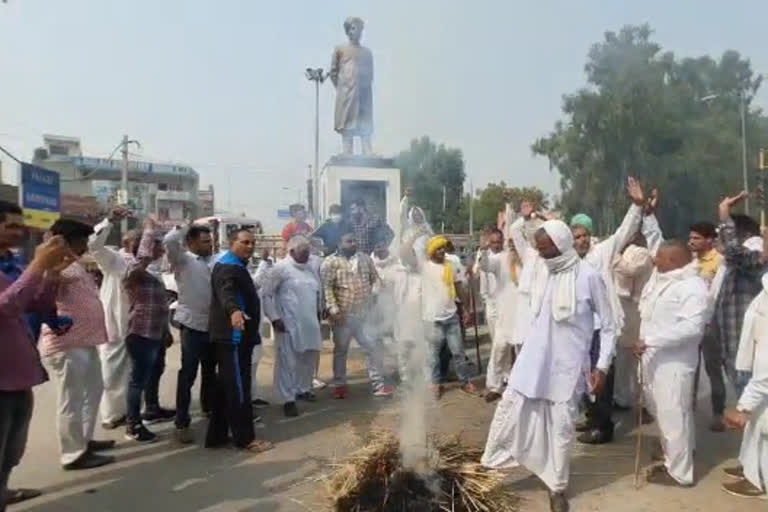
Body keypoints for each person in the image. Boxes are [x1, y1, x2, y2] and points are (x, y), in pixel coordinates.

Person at [482, 220, 616, 512]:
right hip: (533, 360)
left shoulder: (589, 276)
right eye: (539, 249)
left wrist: (602, 366)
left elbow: (608, 326)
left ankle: (556, 487)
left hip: (567, 368)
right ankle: (489, 467)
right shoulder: (545, 271)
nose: (541, 254)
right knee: (510, 410)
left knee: (561, 427)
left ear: (562, 244)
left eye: (546, 249)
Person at [0, 203, 74, 511]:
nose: (20, 232)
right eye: (11, 226)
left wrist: (51, 275)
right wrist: (37, 265)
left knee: (12, 450)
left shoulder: (12, 263)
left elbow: (35, 304)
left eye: (21, 225)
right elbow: (7, 307)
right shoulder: (21, 266)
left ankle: (3, 491)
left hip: (19, 371)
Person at [568, 177, 646, 445]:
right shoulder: (569, 262)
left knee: (602, 376)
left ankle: (603, 427)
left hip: (603, 329)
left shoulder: (601, 252)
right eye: (575, 237)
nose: (580, 241)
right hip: (581, 329)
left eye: (583, 236)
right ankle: (592, 419)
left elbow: (624, 231)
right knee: (584, 376)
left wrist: (636, 206)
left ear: (590, 236)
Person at [40, 219, 116, 470]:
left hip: (87, 341)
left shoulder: (75, 263)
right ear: (65, 241)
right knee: (71, 400)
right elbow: (44, 291)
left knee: (92, 392)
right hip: (67, 343)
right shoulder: (53, 263)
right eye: (81, 242)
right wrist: (54, 259)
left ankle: (83, 440)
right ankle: (72, 454)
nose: (84, 247)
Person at [634, 240, 708, 487]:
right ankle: (673, 458)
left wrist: (652, 340)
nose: (655, 261)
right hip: (656, 360)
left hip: (674, 365)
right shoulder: (665, 279)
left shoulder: (693, 287)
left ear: (674, 261)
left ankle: (680, 473)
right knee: (667, 415)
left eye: (660, 258)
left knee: (674, 416)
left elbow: (692, 327)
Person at [206, 229, 273, 453]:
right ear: (231, 242)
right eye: (245, 242)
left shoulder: (235, 263)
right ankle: (245, 439)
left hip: (235, 337)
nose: (250, 246)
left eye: (252, 243)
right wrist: (234, 311)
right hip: (233, 337)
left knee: (226, 386)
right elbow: (227, 293)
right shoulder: (228, 267)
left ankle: (216, 435)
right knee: (238, 388)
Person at [321, 230, 393, 399]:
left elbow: (375, 279)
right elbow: (327, 288)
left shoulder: (364, 258)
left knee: (372, 348)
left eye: (354, 241)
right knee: (341, 351)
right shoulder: (330, 262)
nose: (353, 244)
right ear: (340, 243)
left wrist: (374, 296)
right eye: (349, 241)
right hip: (343, 315)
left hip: (364, 314)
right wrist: (334, 310)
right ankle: (340, 386)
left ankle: (378, 385)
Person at [163, 223, 216, 444]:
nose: (210, 245)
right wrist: (186, 227)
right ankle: (182, 422)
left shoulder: (213, 262)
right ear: (191, 243)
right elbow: (168, 241)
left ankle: (208, 408)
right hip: (192, 326)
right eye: (205, 242)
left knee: (210, 373)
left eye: (211, 241)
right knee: (188, 375)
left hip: (211, 326)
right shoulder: (182, 260)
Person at [261, 235, 323, 417]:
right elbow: (267, 295)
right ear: (291, 251)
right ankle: (287, 399)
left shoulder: (311, 269)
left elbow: (317, 292)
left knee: (308, 358)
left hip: (310, 322)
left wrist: (321, 310)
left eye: (308, 252)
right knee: (288, 362)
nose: (306, 255)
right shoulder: (280, 269)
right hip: (288, 323)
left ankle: (302, 389)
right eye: (303, 252)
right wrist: (274, 318)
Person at [122, 217, 171, 443]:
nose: (160, 250)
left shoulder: (151, 273)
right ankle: (133, 424)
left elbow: (159, 305)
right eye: (156, 245)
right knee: (138, 380)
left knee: (155, 372)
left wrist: (166, 332)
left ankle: (152, 408)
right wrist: (149, 233)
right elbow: (142, 258)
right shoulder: (133, 270)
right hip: (141, 333)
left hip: (156, 333)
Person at [88, 207, 137, 430]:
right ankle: (110, 416)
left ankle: (129, 411)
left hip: (138, 325)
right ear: (127, 242)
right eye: (137, 240)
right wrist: (109, 221)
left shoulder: (145, 263)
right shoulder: (113, 258)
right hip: (115, 324)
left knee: (133, 372)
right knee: (111, 371)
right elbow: (93, 245)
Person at [721, 272, 768, 499]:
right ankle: (750, 470)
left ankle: (761, 482)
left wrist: (743, 406)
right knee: (757, 427)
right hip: (759, 371)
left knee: (764, 429)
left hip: (764, 375)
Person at [416, 235, 478, 399]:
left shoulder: (451, 266)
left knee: (458, 352)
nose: (442, 251)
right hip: (431, 319)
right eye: (438, 248)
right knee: (433, 355)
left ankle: (465, 382)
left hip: (451, 316)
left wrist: (467, 309)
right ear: (431, 251)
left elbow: (459, 288)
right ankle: (435, 384)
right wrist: (416, 233)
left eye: (443, 248)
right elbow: (406, 255)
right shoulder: (424, 267)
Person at [688, 221, 727, 431]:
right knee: (689, 368)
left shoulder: (719, 262)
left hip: (711, 325)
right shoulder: (690, 262)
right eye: (691, 238)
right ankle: (688, 410)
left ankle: (718, 413)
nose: (691, 242)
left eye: (696, 238)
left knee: (713, 369)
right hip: (691, 323)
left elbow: (715, 295)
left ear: (709, 240)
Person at [477, 228, 520, 403]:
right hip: (502, 311)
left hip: (523, 313)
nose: (513, 246)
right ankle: (494, 386)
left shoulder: (528, 260)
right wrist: (483, 250)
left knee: (520, 350)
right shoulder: (500, 259)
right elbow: (485, 266)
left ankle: (515, 383)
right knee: (499, 348)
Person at [611, 232, 654, 410]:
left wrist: (614, 256)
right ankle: (623, 397)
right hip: (624, 307)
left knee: (634, 356)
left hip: (635, 308)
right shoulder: (627, 251)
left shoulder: (642, 253)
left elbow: (630, 270)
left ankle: (641, 400)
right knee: (623, 356)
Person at [330, 16, 374, 155]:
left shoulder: (367, 53)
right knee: (347, 122)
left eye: (360, 29)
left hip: (364, 94)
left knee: (364, 122)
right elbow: (333, 72)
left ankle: (367, 149)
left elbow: (371, 74)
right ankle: (347, 151)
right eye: (354, 28)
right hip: (347, 93)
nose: (358, 31)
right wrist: (343, 88)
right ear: (348, 31)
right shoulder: (340, 49)